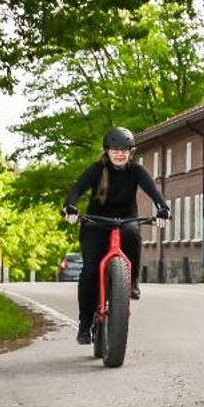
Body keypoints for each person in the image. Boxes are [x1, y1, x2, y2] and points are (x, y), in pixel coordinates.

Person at [63, 126, 171, 344]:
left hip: (125, 221)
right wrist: (70, 207)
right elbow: (76, 189)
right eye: (115, 149)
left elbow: (153, 190)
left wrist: (162, 208)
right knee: (90, 272)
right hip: (96, 224)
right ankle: (84, 325)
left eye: (125, 150)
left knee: (133, 235)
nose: (120, 154)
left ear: (131, 152)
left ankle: (131, 281)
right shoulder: (96, 169)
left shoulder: (136, 171)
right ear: (107, 151)